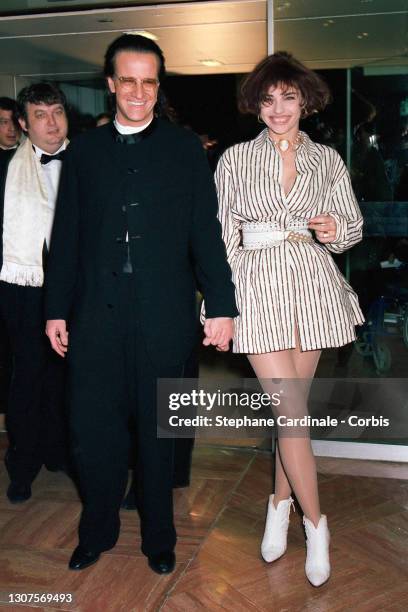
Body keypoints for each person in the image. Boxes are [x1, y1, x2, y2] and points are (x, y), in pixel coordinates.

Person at [44, 34, 237, 575]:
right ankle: (97, 531)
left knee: (160, 434)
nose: (137, 91)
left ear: (158, 86)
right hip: (95, 315)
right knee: (93, 431)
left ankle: (159, 536)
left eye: (148, 81)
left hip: (164, 314)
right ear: (110, 84)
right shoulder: (84, 151)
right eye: (126, 80)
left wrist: (221, 304)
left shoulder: (183, 149)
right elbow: (67, 237)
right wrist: (56, 310)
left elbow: (206, 232)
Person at [213, 52, 364, 587]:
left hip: (310, 282)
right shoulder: (233, 159)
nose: (278, 109)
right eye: (268, 99)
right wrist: (217, 304)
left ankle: (280, 504)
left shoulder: (327, 159)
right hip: (256, 285)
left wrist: (333, 227)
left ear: (305, 101)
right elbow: (221, 235)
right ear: (257, 105)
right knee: (291, 412)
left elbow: (352, 228)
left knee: (290, 412)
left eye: (289, 98)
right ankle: (317, 524)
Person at [0, 83, 69, 503]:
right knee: (25, 377)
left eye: (57, 112)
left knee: (70, 378)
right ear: (23, 124)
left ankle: (61, 450)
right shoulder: (5, 167)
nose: (51, 123)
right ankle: (22, 465)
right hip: (20, 289)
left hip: (76, 290)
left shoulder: (88, 161)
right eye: (39, 115)